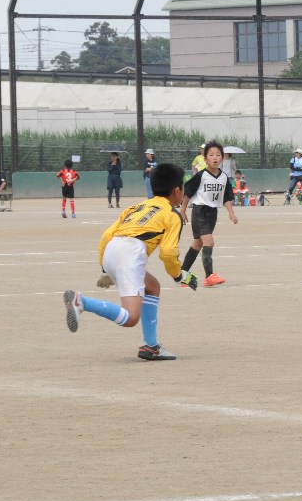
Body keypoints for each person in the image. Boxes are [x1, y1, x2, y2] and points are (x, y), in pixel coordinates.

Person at [62, 162, 198, 361]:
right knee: (131, 317)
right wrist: (179, 276)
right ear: (177, 191)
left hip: (112, 248)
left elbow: (106, 236)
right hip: (130, 254)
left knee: (152, 287)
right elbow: (168, 253)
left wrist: (105, 269)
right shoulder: (172, 215)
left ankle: (151, 346)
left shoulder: (137, 207)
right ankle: (82, 302)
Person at [179, 141, 238, 287]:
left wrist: (231, 213)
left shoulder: (223, 177)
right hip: (200, 211)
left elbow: (226, 197)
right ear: (205, 159)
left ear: (222, 157)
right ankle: (209, 276)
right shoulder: (201, 175)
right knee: (209, 242)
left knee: (197, 244)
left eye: (218, 154)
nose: (215, 157)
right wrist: (183, 210)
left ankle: (183, 276)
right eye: (211, 155)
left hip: (212, 213)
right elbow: (187, 193)